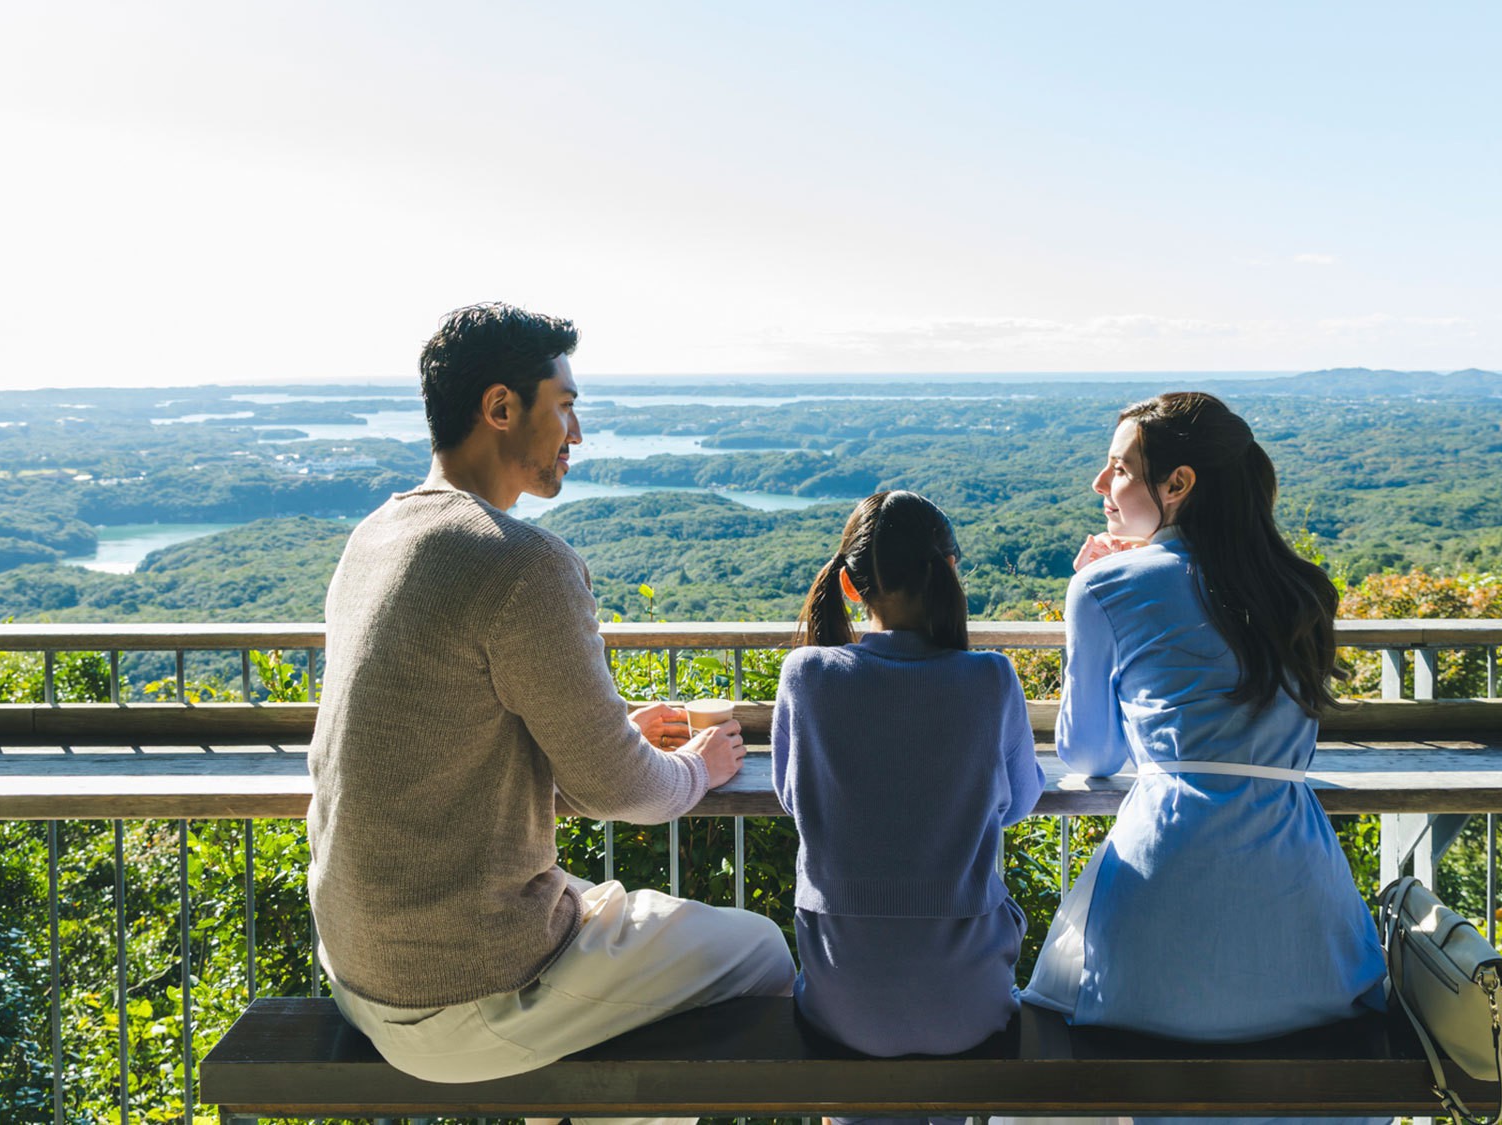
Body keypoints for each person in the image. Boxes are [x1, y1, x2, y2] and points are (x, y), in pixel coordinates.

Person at [306, 302, 795, 1125]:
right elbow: (621, 794)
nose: (578, 432)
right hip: (467, 989)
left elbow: (450, 744)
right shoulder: (522, 564)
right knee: (762, 953)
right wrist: (696, 768)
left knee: (614, 957)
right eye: (564, 405)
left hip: (360, 971)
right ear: (501, 408)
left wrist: (604, 737)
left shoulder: (375, 537)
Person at [1018, 392, 1387, 1125]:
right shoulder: (1300, 589)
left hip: (1157, 919)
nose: (1101, 485)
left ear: (1178, 485)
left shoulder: (1104, 584)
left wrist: (1087, 592)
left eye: (1119, 468)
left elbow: (1088, 754)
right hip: (1300, 920)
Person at [772, 490, 1045, 1124]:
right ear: (949, 570)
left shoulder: (806, 675)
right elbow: (1021, 800)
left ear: (849, 582)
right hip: (968, 1008)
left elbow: (793, 797)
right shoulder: (991, 678)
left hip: (843, 1005)